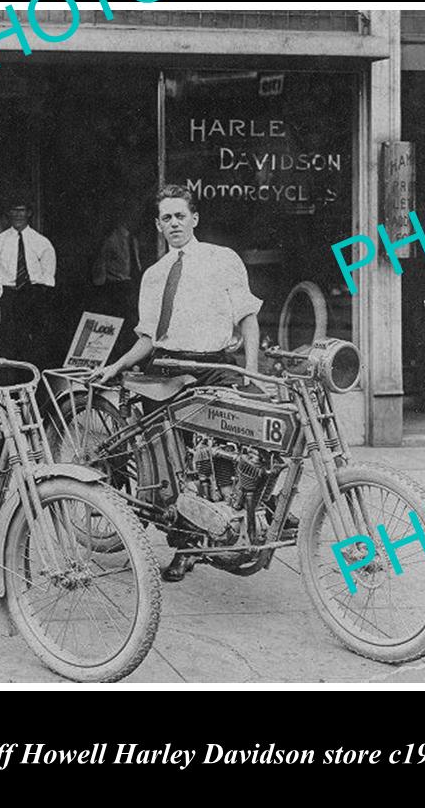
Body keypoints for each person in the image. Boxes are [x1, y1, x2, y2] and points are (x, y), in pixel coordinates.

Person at [95, 184, 263, 581]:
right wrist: (115, 366)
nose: (174, 223)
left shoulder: (223, 260)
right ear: (157, 225)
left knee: (237, 448)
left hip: (217, 366)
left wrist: (252, 372)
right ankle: (186, 547)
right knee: (175, 466)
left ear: (195, 219)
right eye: (166, 218)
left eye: (180, 216)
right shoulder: (154, 276)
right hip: (167, 369)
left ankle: (245, 517)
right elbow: (148, 339)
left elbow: (247, 318)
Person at [0, 200, 55, 369]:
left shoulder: (42, 242)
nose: (18, 214)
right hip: (8, 297)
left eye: (22, 210)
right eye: (14, 210)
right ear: (9, 213)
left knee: (33, 343)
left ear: (29, 213)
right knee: (7, 342)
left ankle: (32, 381)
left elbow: (48, 277)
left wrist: (40, 298)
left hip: (34, 295)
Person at [89, 204, 143, 362]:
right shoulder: (112, 239)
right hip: (116, 288)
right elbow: (100, 264)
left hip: (130, 286)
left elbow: (136, 263)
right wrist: (101, 283)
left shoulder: (133, 239)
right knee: (118, 326)